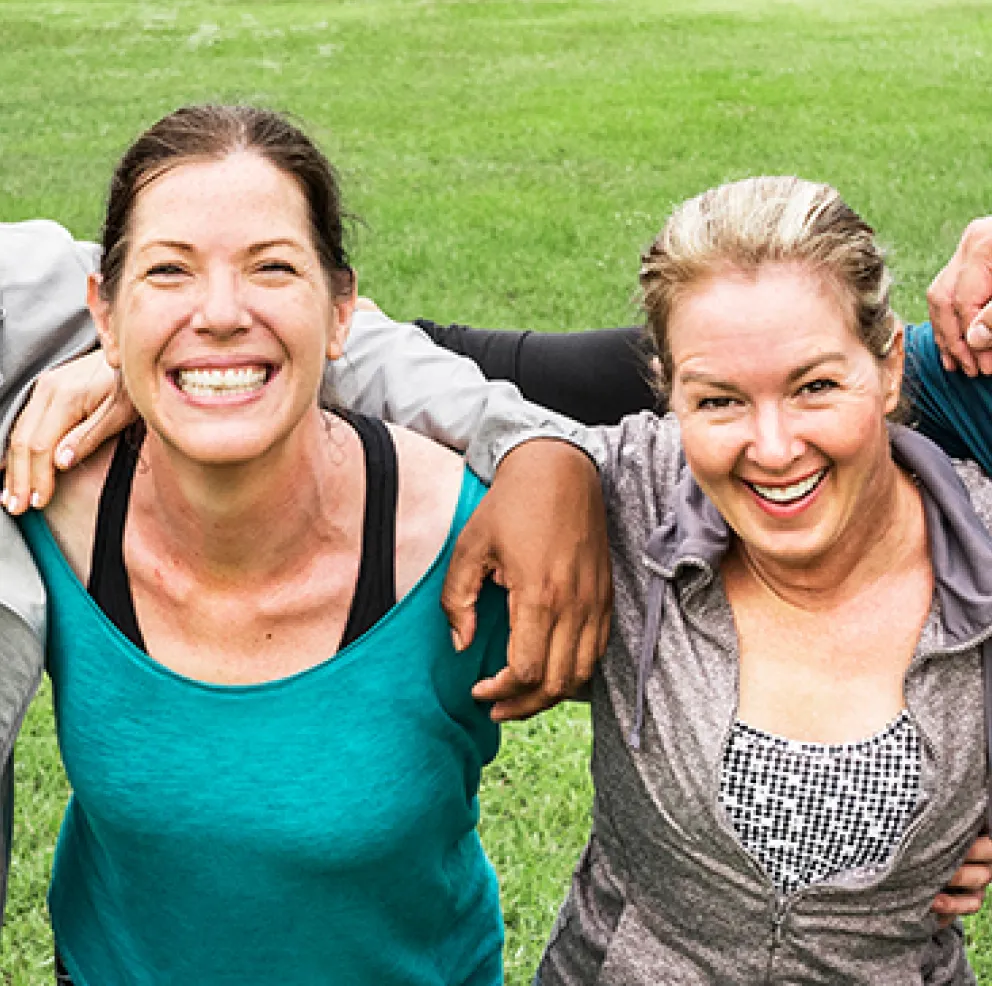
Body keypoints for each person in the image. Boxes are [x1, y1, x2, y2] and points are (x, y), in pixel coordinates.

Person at [14, 176, 992, 981]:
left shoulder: (975, 544)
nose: (772, 445)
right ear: (667, 391)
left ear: (888, 367)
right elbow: (440, 354)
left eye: (818, 385)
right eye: (717, 398)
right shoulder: (633, 499)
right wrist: (164, 368)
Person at [2, 102, 612, 986]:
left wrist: (540, 445)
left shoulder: (464, 540)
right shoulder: (58, 513)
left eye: (273, 269)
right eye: (169, 273)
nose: (219, 309)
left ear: (341, 309)